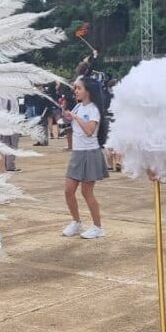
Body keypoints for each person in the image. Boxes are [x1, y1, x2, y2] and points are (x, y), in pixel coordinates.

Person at [60, 77, 109, 240]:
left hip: (90, 153)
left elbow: (89, 131)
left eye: (79, 88)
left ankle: (98, 227)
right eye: (75, 88)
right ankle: (76, 222)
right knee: (68, 191)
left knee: (86, 192)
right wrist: (66, 113)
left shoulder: (94, 109)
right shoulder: (78, 106)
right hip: (77, 153)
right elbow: (70, 120)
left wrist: (76, 117)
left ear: (88, 91)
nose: (76, 91)